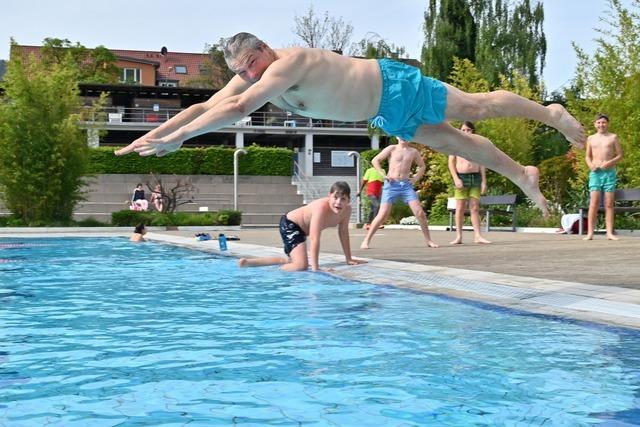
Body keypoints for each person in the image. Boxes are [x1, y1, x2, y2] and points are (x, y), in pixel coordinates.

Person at [115, 32, 585, 214]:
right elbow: (205, 107)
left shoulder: (285, 66)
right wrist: (152, 136)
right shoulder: (258, 74)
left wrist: (177, 140)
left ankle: (551, 114)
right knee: (457, 147)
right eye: (241, 74)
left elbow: (236, 111)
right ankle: (520, 174)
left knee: (476, 109)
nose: (247, 78)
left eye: (250, 67)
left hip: (395, 85)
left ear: (262, 52)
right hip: (384, 111)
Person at [237, 181, 367, 271]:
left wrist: (348, 258)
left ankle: (249, 263)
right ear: (329, 197)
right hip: (290, 225)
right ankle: (270, 273)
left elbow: (343, 233)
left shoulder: (347, 211)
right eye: (335, 197)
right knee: (301, 266)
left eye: (343, 199)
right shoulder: (321, 207)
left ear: (349, 200)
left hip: (301, 232)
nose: (338, 202)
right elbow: (315, 238)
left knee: (292, 262)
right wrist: (316, 268)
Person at [360, 138, 438, 250]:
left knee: (419, 212)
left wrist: (415, 178)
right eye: (401, 135)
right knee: (382, 214)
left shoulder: (413, 151)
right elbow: (375, 160)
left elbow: (422, 166)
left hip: (406, 185)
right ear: (397, 136)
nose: (403, 138)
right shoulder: (392, 148)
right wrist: (383, 174)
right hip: (391, 184)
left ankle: (429, 240)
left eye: (405, 135)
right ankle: (366, 240)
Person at [448, 121, 491, 245]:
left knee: (475, 207)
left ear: (473, 131)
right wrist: (456, 179)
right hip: (461, 177)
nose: (466, 132)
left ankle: (478, 236)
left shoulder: (478, 145)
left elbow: (482, 163)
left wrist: (484, 181)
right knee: (460, 207)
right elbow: (451, 163)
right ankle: (458, 236)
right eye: (463, 130)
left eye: (468, 130)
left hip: (475, 177)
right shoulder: (455, 145)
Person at [583, 114, 624, 241]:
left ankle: (609, 233)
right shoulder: (591, 138)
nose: (601, 125)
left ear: (608, 124)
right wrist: (590, 165)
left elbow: (620, 155)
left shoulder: (613, 137)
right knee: (593, 203)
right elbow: (587, 156)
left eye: (604, 122)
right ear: (595, 124)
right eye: (599, 122)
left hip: (609, 173)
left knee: (609, 204)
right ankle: (590, 233)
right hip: (595, 173)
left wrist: (609, 162)